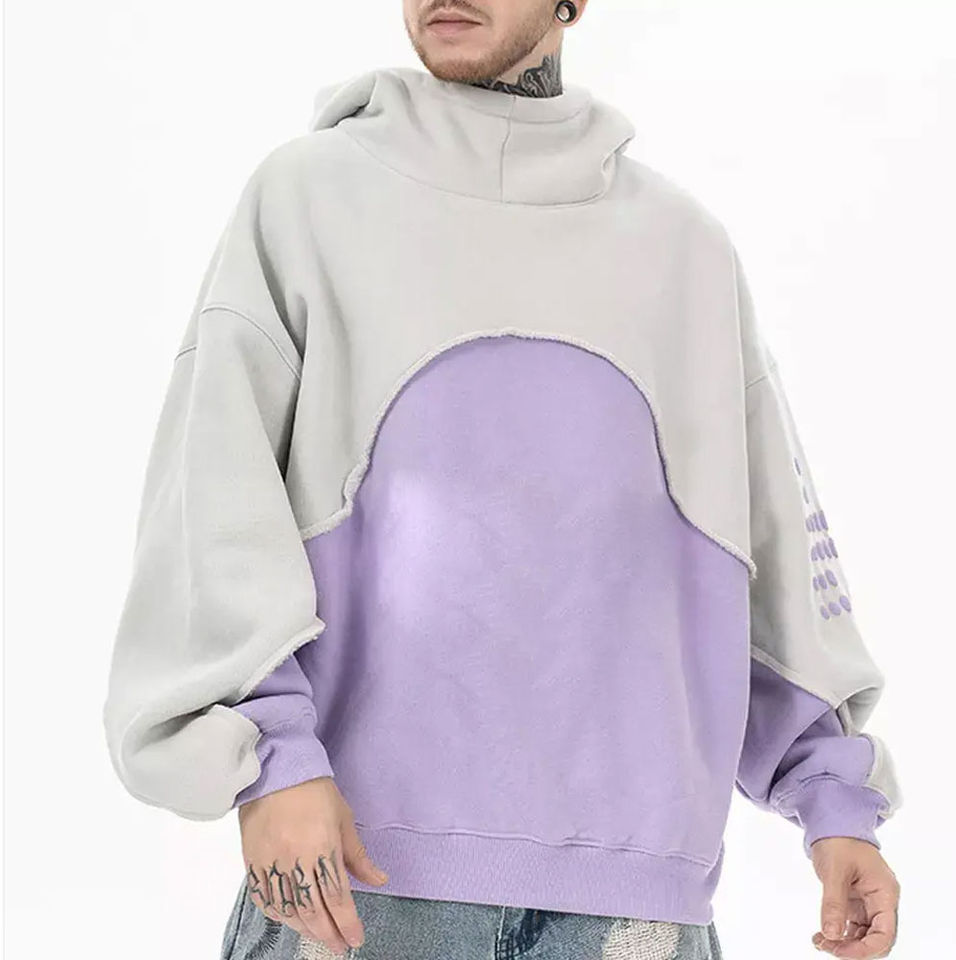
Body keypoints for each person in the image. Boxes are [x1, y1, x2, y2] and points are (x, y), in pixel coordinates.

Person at [102, 2, 903, 958]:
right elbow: (214, 499)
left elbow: (763, 535)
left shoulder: (682, 247)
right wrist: (270, 756)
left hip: (634, 900)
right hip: (362, 879)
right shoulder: (308, 200)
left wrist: (832, 797)